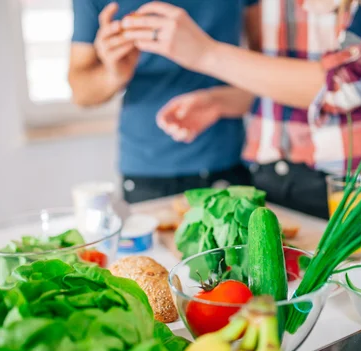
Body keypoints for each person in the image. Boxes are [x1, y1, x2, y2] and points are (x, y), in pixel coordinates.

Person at [120, 0, 361, 242]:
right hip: (273, 180)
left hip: (360, 188)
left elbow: (344, 83)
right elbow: (282, 81)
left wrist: (206, 53)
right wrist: (222, 102)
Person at [68, 1, 261, 203]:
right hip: (148, 169)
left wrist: (219, 99)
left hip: (229, 159)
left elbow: (266, 68)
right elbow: (80, 91)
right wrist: (113, 75)